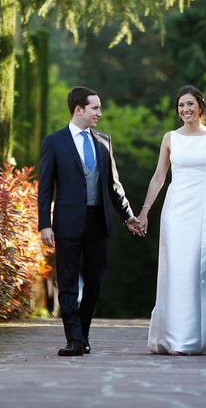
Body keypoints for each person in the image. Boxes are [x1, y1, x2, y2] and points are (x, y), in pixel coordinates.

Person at [136, 85, 206, 356]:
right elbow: (159, 176)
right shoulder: (170, 138)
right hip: (175, 210)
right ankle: (172, 338)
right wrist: (145, 210)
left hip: (204, 208)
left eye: (190, 104)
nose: (185, 109)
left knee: (201, 270)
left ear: (200, 107)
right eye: (181, 105)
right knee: (176, 270)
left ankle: (195, 339)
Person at [38, 86, 140, 357]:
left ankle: (81, 332)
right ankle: (73, 339)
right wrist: (44, 224)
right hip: (67, 222)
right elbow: (45, 187)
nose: (100, 113)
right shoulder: (54, 142)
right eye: (95, 108)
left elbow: (114, 185)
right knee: (68, 281)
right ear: (78, 109)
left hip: (98, 221)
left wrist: (128, 216)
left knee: (95, 280)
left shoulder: (104, 141)